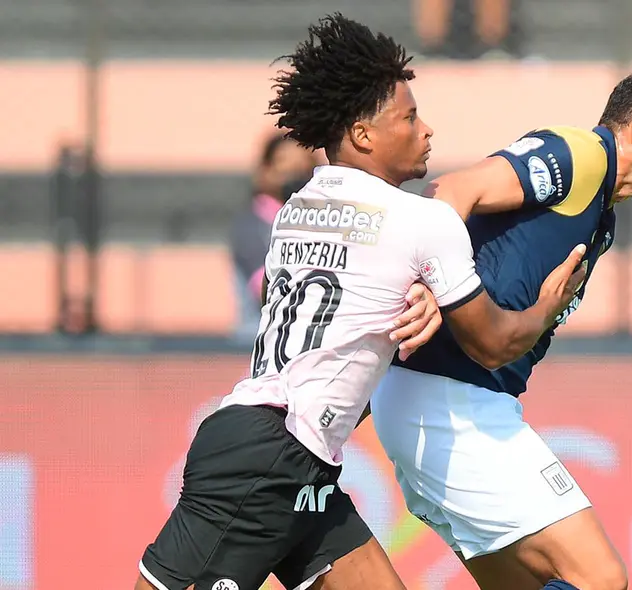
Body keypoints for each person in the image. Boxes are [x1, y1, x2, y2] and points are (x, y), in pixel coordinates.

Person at [135, 13, 586, 590]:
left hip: (292, 454)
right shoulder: (423, 221)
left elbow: (351, 316)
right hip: (271, 455)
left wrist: (423, 302)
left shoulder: (296, 210)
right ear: (364, 134)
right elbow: (494, 344)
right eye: (410, 116)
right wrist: (550, 304)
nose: (427, 130)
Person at [371, 64, 632, 590]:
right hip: (450, 404)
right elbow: (455, 190)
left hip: (443, 403)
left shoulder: (600, 215)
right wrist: (429, 281)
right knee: (600, 577)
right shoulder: (581, 156)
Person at [229, 133, 319, 339]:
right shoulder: (251, 226)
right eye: (284, 164)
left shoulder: (322, 221)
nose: (295, 173)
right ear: (265, 172)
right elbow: (268, 290)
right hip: (259, 341)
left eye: (304, 166)